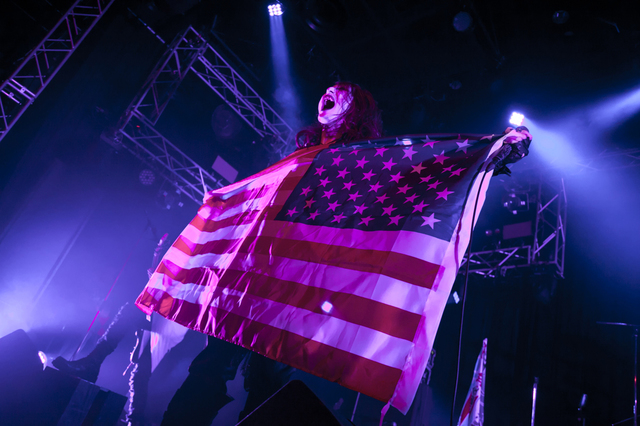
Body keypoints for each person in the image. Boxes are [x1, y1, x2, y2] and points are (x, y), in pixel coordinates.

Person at [159, 81, 531, 425]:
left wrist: (493, 153)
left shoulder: (365, 163)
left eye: (341, 91)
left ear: (357, 110)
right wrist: (228, 201)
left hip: (291, 294)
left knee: (267, 389)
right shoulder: (302, 156)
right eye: (327, 88)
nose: (328, 91)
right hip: (251, 280)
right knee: (211, 368)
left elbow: (428, 169)